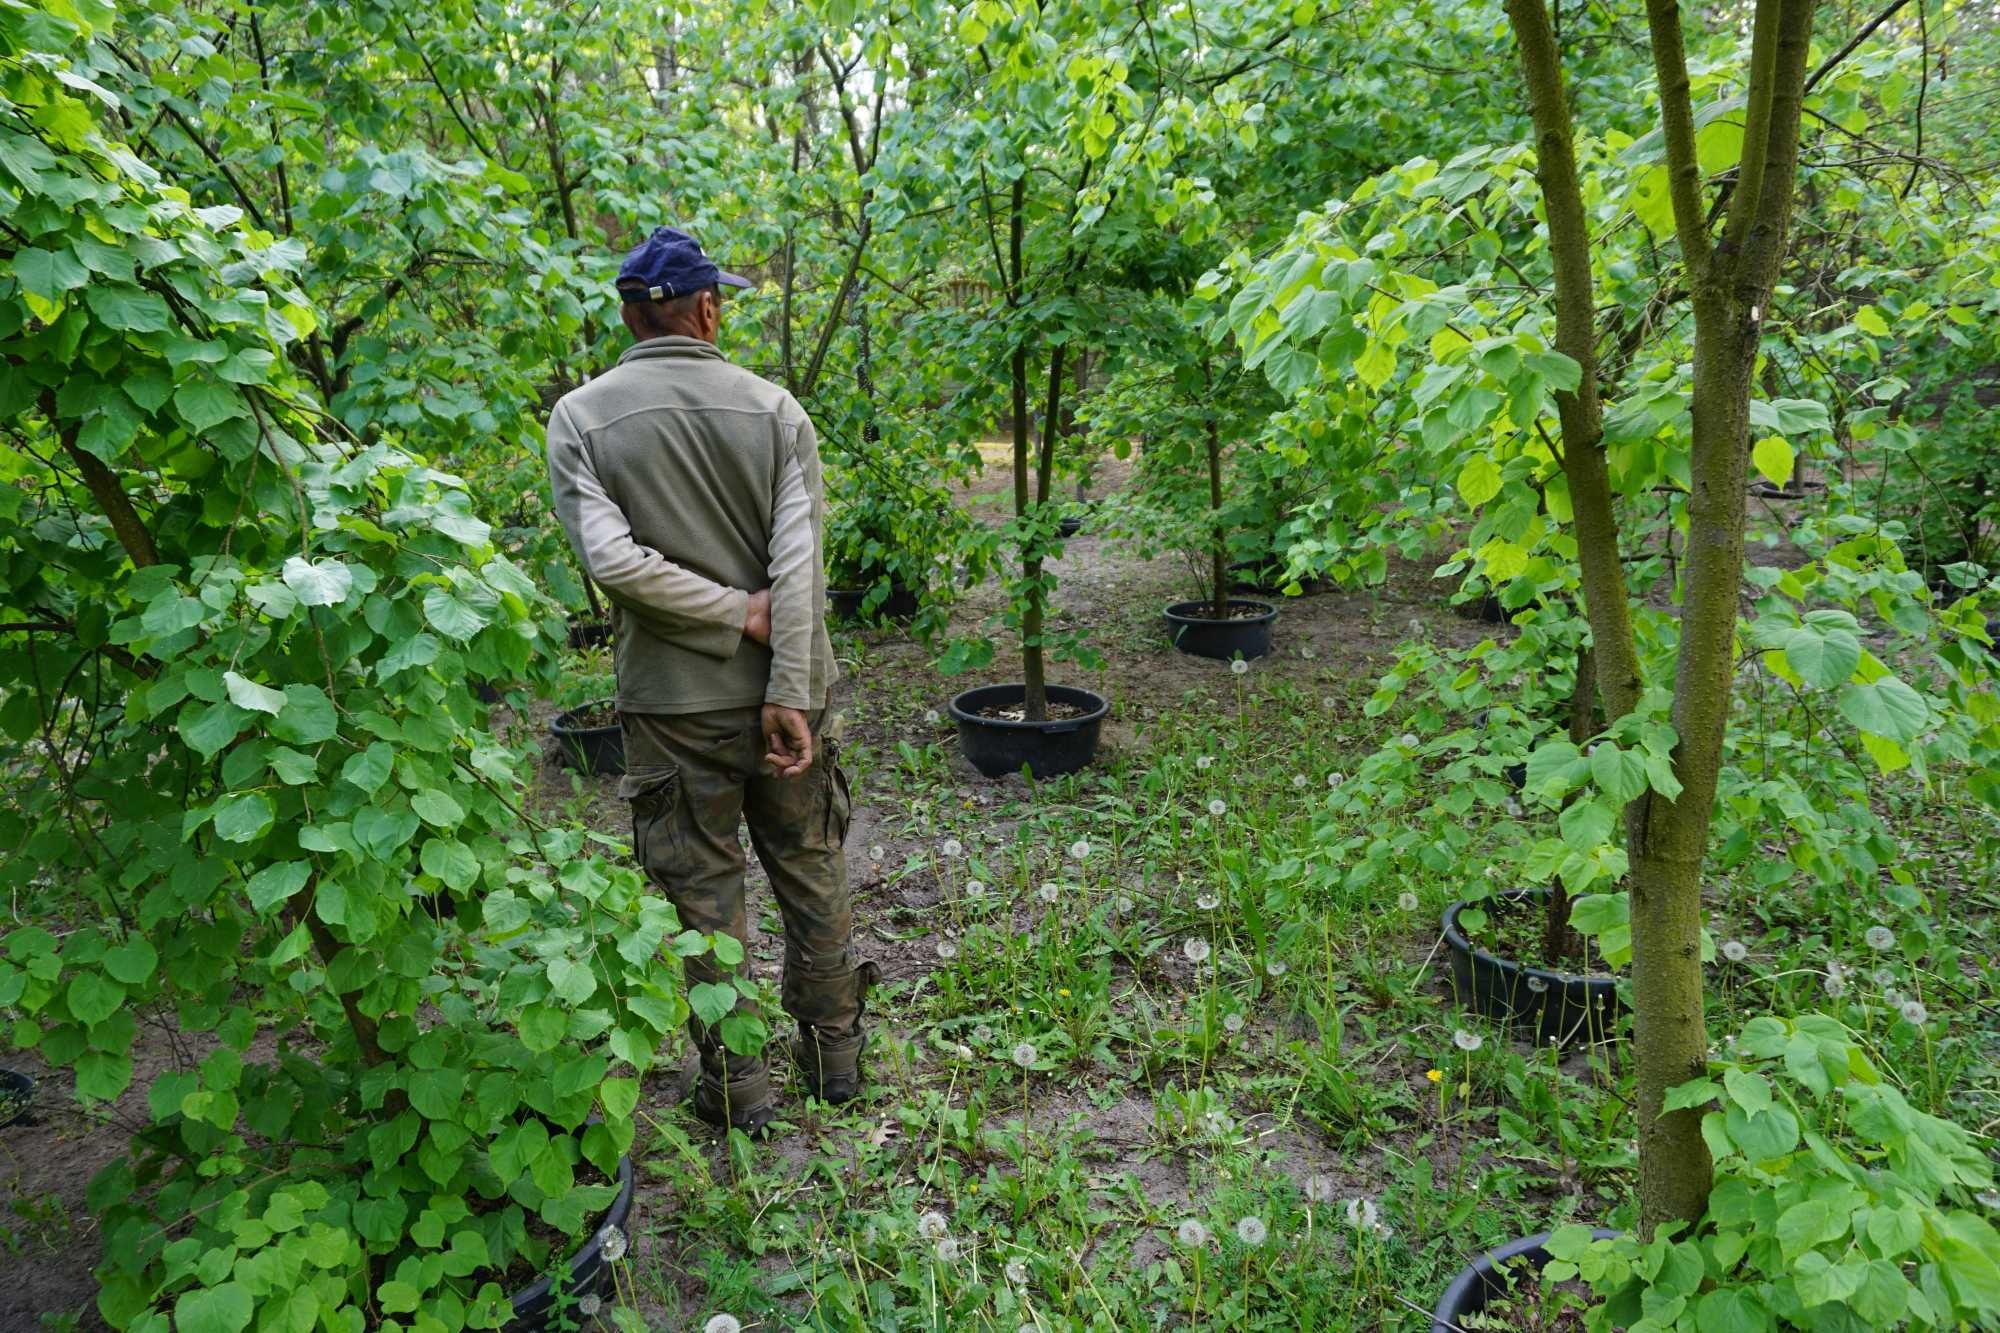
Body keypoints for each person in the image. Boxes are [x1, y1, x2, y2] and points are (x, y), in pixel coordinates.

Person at [545, 226, 873, 1135]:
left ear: (627, 314)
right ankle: (835, 1057)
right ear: (708, 310)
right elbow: (799, 559)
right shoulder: (773, 409)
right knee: (808, 861)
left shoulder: (579, 418)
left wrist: (729, 613)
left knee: (702, 887)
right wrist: (789, 684)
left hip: (671, 702)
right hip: (784, 691)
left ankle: (738, 1087)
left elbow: (611, 561)